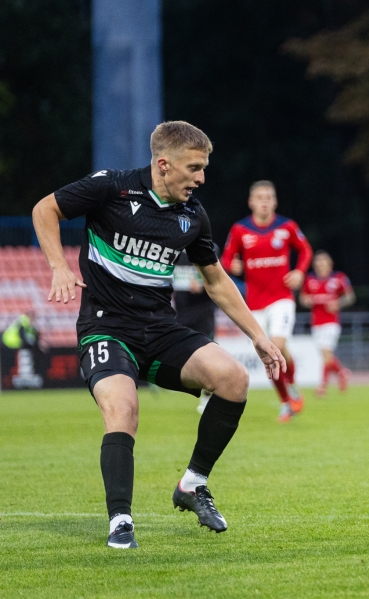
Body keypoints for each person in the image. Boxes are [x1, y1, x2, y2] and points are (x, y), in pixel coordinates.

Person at [31, 121, 286, 549]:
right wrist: (58, 266)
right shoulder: (111, 187)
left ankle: (192, 484)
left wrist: (258, 336)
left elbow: (216, 280)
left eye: (203, 168)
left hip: (160, 328)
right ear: (164, 164)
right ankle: (120, 521)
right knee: (123, 409)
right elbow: (45, 209)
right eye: (194, 168)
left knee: (233, 379)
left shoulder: (192, 215)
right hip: (106, 326)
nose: (201, 178)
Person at [220, 180, 313, 422]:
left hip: (281, 298)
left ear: (275, 202)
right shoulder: (240, 229)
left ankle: (290, 389)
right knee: (268, 354)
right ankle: (286, 400)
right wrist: (232, 265)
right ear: (251, 202)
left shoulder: (287, 227)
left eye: (269, 197)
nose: (264, 202)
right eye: (260, 198)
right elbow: (226, 259)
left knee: (277, 347)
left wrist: (299, 272)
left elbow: (305, 250)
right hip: (254, 303)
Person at [300, 251, 355, 395]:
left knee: (325, 352)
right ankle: (342, 372)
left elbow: (350, 296)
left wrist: (338, 303)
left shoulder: (338, 278)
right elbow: (303, 298)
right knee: (326, 355)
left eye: (323, 262)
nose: (320, 265)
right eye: (318, 262)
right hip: (316, 323)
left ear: (330, 264)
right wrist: (307, 301)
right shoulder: (310, 279)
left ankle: (323, 385)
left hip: (331, 322)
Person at [172, 245, 219, 413]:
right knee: (182, 356)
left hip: (203, 314)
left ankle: (208, 395)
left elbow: (218, 279)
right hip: (181, 313)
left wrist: (203, 286)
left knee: (209, 356)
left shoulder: (209, 247)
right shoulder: (175, 247)